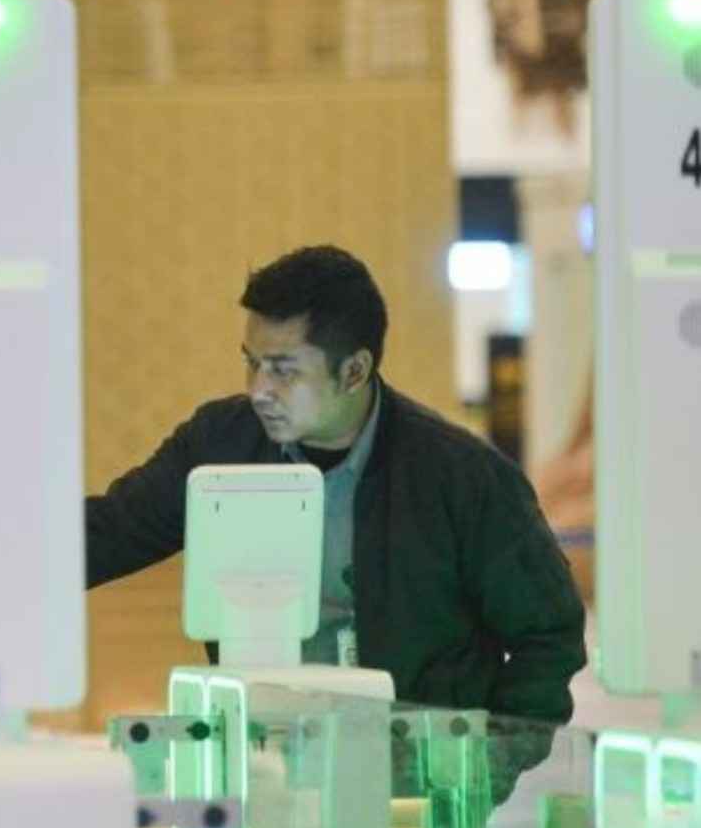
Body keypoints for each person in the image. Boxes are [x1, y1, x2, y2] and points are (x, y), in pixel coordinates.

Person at [85, 245, 587, 733]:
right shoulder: (220, 443)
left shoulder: (462, 476)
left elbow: (549, 633)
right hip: (264, 755)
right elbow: (112, 530)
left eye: (283, 371)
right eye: (252, 363)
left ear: (353, 372)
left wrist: (487, 758)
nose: (258, 390)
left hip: (413, 766)